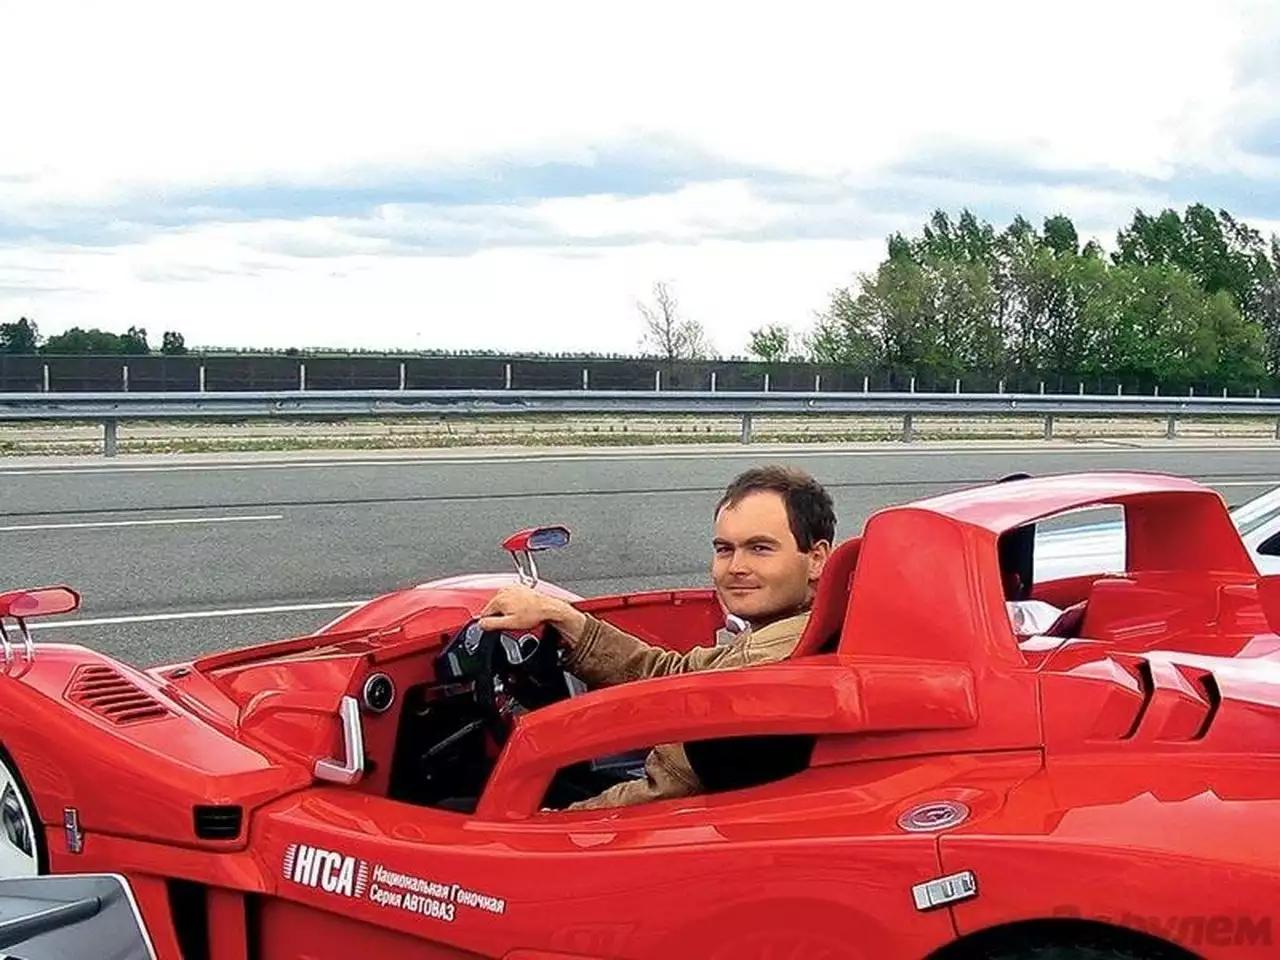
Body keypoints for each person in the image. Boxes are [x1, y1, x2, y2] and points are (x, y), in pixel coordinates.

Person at [477, 465, 835, 810]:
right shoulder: (801, 630)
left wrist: (553, 822)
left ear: (817, 559)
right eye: (725, 549)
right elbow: (674, 675)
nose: (736, 568)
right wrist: (567, 619)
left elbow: (666, 790)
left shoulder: (763, 667)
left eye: (760, 548)